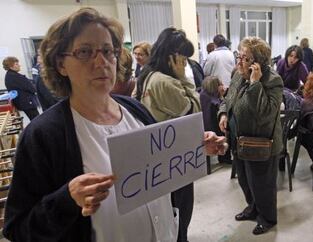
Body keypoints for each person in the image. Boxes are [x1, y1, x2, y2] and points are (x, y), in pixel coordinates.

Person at [3, 8, 227, 242]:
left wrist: (194, 147)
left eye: (108, 51)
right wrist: (67, 200)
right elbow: (17, 228)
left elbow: (159, 172)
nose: (101, 61)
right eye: (85, 52)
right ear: (61, 64)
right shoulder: (44, 135)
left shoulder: (135, 110)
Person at [138, 27, 201, 242]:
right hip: (174, 159)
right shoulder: (165, 82)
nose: (184, 64)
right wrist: (185, 79)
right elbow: (194, 112)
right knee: (180, 211)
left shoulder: (147, 75)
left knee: (170, 213)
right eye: (182, 59)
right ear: (171, 57)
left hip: (159, 158)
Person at [218, 36, 283, 235]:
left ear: (258, 63)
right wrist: (222, 113)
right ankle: (253, 208)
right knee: (245, 181)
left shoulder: (273, 81)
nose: (239, 62)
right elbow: (228, 97)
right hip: (239, 140)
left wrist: (255, 84)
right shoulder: (237, 74)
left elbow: (264, 115)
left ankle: (267, 218)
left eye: (245, 58)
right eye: (239, 56)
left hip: (260, 143)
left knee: (262, 185)